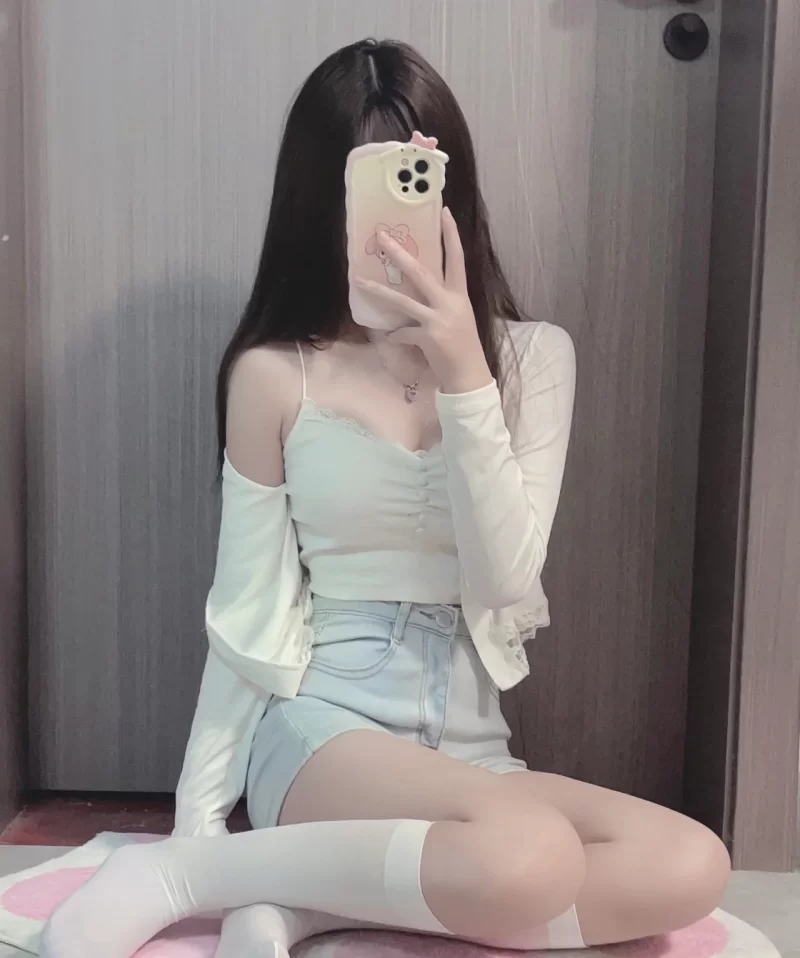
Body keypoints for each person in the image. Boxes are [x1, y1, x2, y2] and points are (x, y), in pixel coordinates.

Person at [41, 38, 730, 958]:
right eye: (365, 190)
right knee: (529, 854)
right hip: (325, 726)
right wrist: (195, 818)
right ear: (318, 202)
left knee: (687, 862)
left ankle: (308, 899)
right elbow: (246, 612)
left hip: (470, 749)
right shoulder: (274, 373)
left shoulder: (534, 361)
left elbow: (506, 577)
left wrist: (463, 368)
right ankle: (188, 875)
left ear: (452, 192)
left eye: (414, 182)